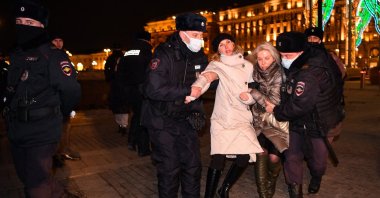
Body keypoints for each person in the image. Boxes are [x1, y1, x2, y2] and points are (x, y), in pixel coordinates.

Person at [3, 0, 81, 197]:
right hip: (16, 127)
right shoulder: (16, 54)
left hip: (43, 129)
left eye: (29, 23)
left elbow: (71, 89)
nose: (22, 26)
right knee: (28, 176)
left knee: (36, 184)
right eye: (19, 21)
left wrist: (60, 112)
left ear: (41, 26)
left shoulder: (53, 56)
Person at [265, 32, 344, 198]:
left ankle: (316, 176)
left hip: (317, 122)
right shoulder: (299, 63)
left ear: (302, 52)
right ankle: (295, 192)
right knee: (292, 155)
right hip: (296, 122)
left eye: (288, 55)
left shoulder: (310, 73)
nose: (284, 58)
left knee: (318, 161)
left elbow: (299, 105)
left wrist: (276, 111)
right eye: (281, 55)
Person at [141, 12, 208, 197]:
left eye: (201, 36)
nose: (199, 40)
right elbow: (152, 89)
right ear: (182, 32)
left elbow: (204, 82)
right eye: (195, 35)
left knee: (193, 167)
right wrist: (187, 91)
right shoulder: (164, 54)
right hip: (162, 120)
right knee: (170, 169)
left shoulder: (199, 55)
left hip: (186, 119)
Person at [187, 33, 263, 198]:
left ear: (234, 43)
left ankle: (225, 189)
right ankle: (209, 195)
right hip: (223, 117)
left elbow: (252, 90)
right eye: (221, 45)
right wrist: (195, 91)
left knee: (245, 155)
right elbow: (206, 78)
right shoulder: (216, 64)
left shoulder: (248, 65)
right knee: (218, 158)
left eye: (228, 42)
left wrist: (249, 98)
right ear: (217, 50)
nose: (226, 46)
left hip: (242, 116)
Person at [240, 42, 288, 198]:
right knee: (260, 153)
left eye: (266, 58)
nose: (263, 62)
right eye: (259, 59)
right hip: (259, 120)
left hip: (276, 122)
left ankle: (271, 181)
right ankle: (264, 194)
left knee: (274, 158)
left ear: (274, 58)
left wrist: (253, 92)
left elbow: (273, 103)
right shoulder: (254, 72)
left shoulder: (280, 74)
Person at [304, 26, 346, 143]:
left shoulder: (330, 57)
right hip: (306, 107)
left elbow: (340, 75)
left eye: (315, 38)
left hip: (327, 106)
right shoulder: (300, 57)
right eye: (309, 38)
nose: (312, 41)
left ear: (320, 40)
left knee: (323, 146)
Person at [116, 30, 152, 156]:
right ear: (148, 39)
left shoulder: (128, 52)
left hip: (129, 90)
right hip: (142, 90)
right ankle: (143, 148)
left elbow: (120, 72)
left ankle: (132, 141)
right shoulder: (147, 50)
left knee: (137, 115)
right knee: (144, 117)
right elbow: (150, 71)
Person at [50, 34, 81, 168]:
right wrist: (70, 106)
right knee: (62, 127)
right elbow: (70, 83)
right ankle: (59, 154)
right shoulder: (59, 55)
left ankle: (58, 153)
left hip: (49, 101)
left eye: (60, 40)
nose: (58, 43)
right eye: (55, 40)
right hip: (59, 100)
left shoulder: (43, 55)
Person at [106, 45, 128, 135]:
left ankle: (121, 125)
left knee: (119, 108)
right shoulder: (124, 58)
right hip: (122, 86)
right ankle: (123, 125)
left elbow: (106, 71)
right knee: (123, 108)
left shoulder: (111, 58)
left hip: (116, 86)